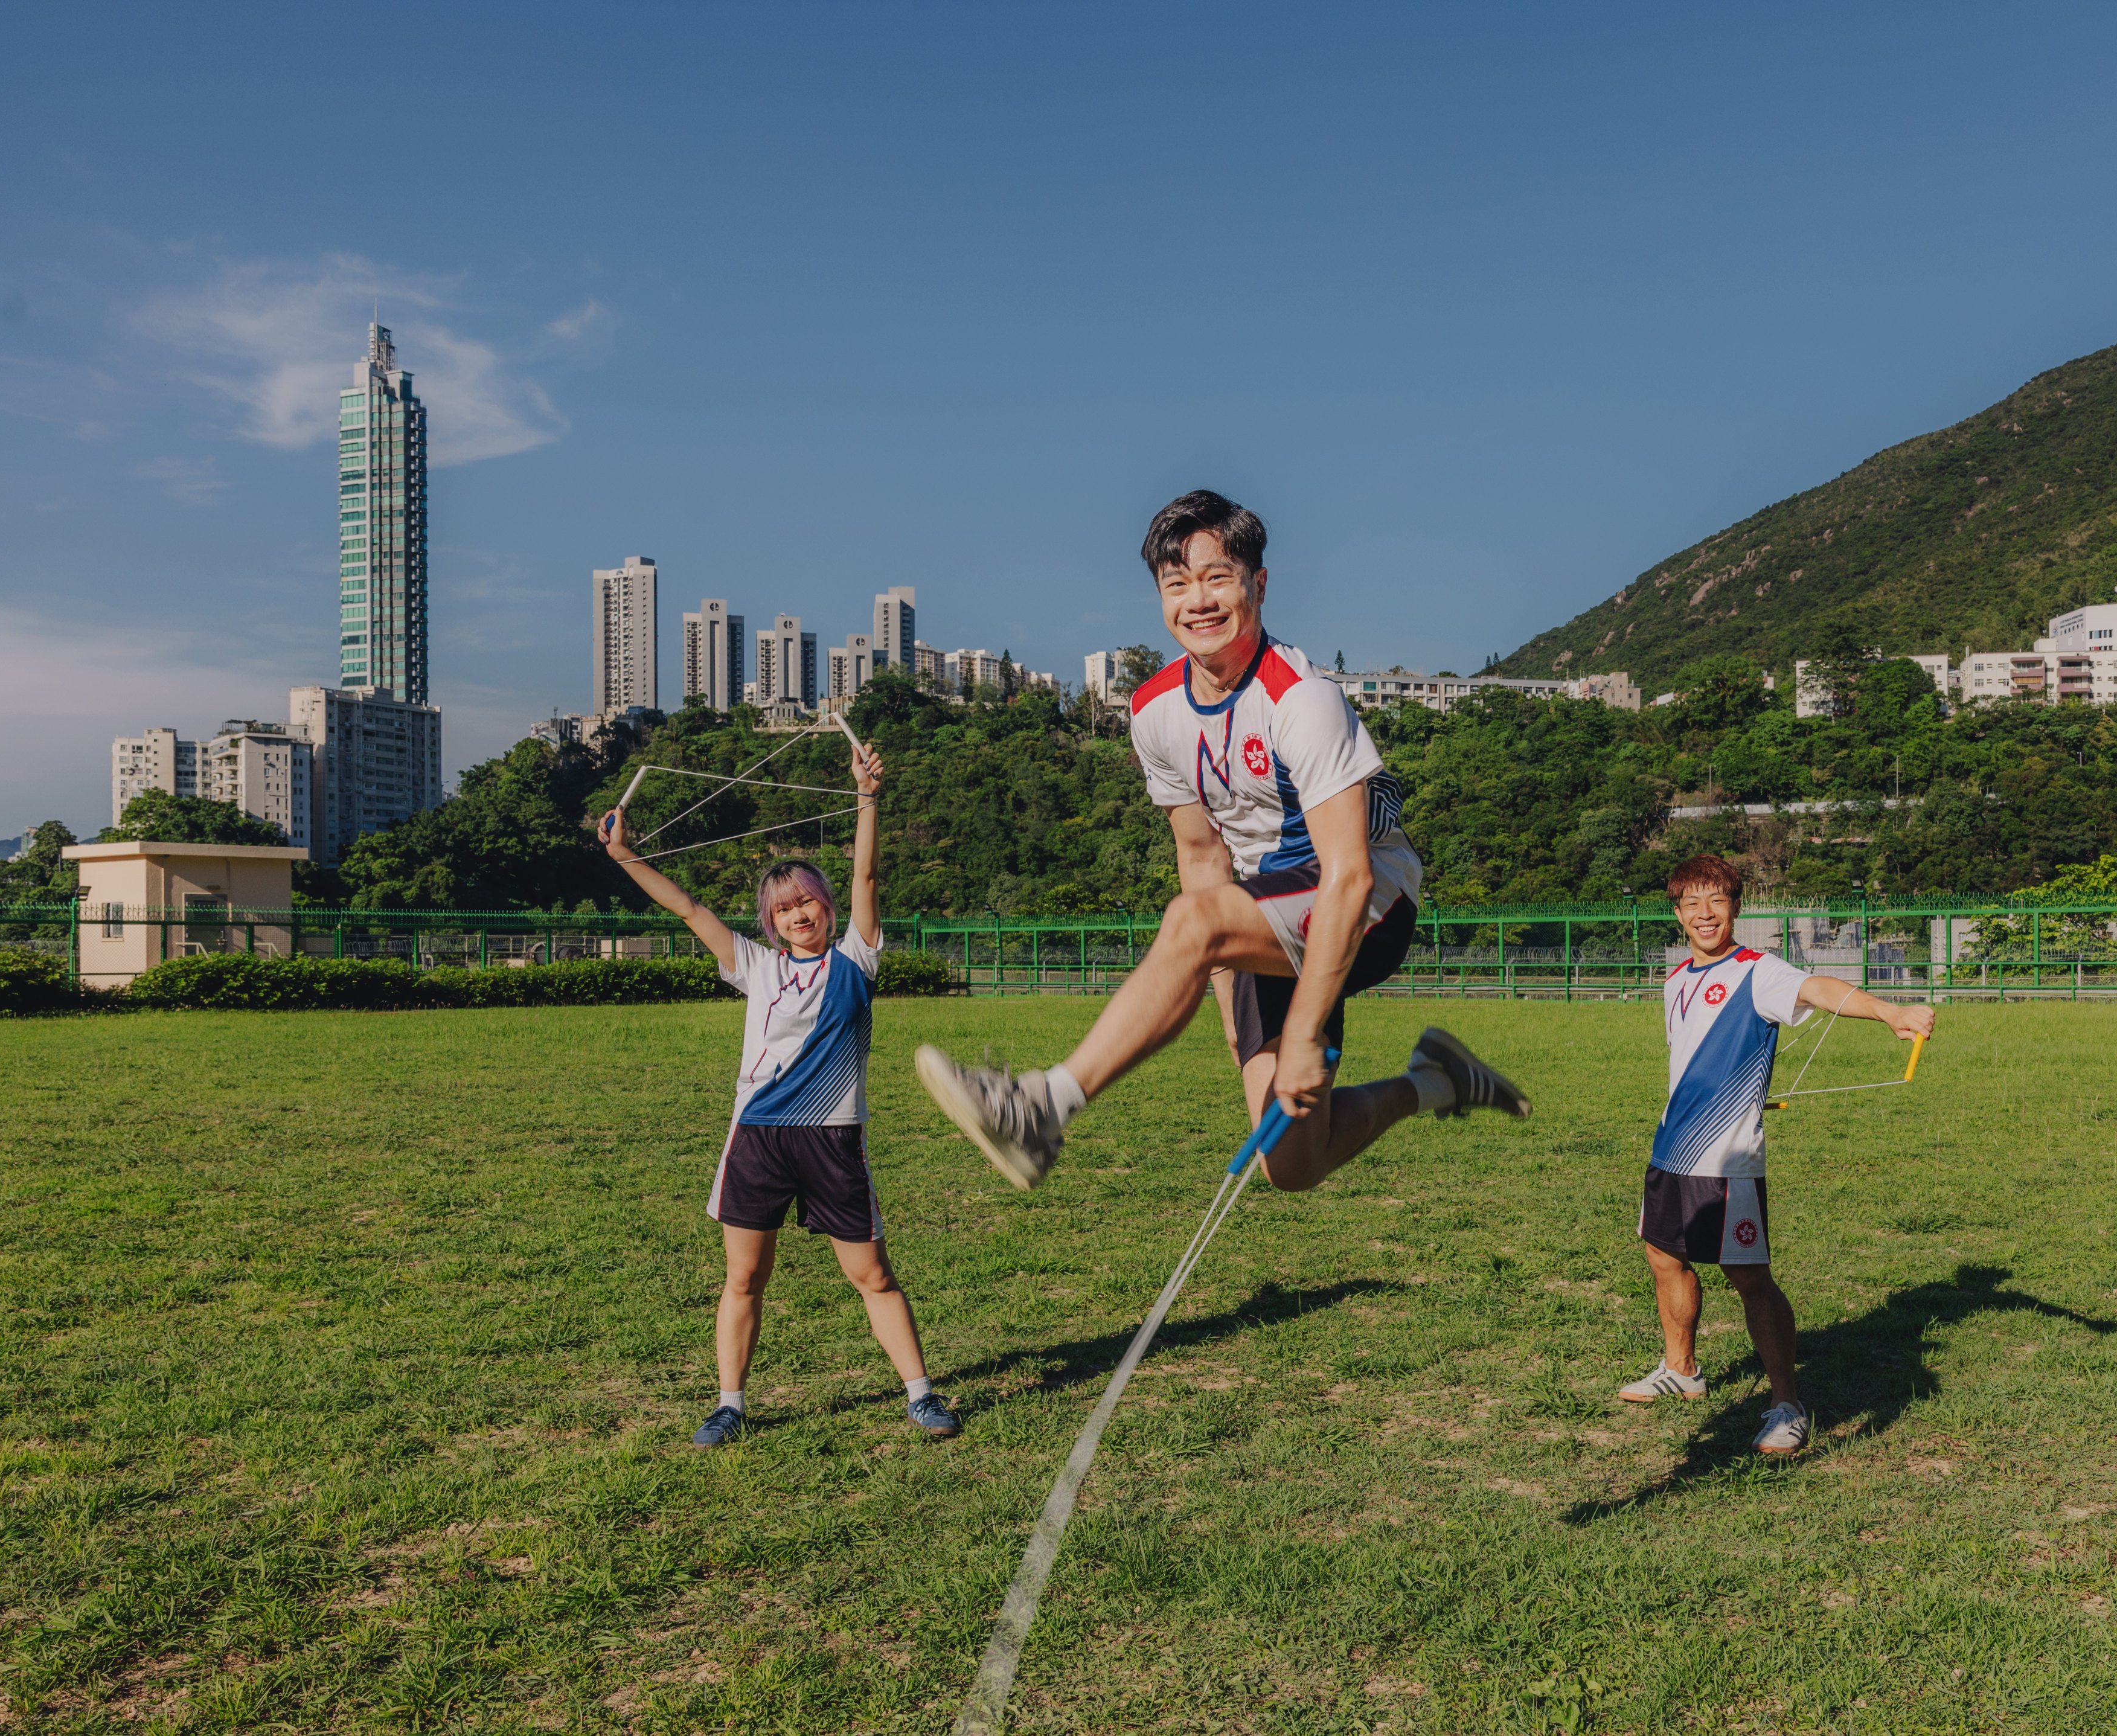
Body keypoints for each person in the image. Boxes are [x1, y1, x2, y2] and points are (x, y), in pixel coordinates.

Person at [915, 488, 1530, 1196]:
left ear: (1257, 584)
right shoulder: (1153, 713)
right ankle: (1434, 1081)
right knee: (1292, 1163)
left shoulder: (1303, 699)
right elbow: (1203, 855)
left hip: (1369, 905)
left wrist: (1299, 1028)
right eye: (1177, 584)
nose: (1197, 600)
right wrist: (1227, 983)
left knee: (1194, 921)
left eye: (1217, 577)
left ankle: (1041, 1108)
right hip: (1264, 914)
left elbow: (1348, 877)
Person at [597, 740, 958, 1447]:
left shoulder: (858, 957)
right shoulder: (753, 965)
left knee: (873, 1274)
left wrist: (867, 797)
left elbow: (868, 872)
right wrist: (624, 858)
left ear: (828, 908)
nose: (799, 914)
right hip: (758, 1141)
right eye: (784, 907)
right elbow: (688, 908)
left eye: (809, 902)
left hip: (832, 1138)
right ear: (771, 920)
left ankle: (919, 1393)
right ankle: (729, 1403)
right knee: (744, 1278)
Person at [1618, 853, 1935, 1454]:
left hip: (1727, 1161)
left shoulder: (1759, 972)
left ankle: (1786, 1402)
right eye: (1692, 903)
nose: (1705, 913)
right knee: (1663, 1256)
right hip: (1670, 1150)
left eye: (1717, 900)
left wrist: (1889, 1012)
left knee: (1748, 1277)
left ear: (1736, 907)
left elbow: (1820, 988)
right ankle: (1681, 1369)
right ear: (1678, 913)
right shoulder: (1676, 979)